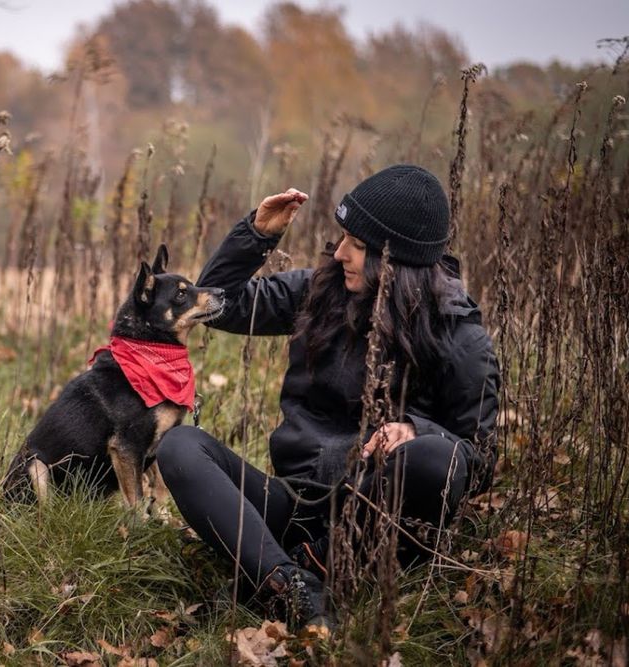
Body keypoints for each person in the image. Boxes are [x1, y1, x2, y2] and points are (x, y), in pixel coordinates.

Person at [156, 164, 500, 630]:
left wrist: (419, 430)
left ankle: (307, 565)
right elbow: (220, 306)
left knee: (438, 457)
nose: (339, 253)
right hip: (297, 502)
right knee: (180, 446)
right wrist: (255, 236)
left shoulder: (461, 337)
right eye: (343, 238)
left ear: (394, 260)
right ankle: (289, 584)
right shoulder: (320, 291)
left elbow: (476, 460)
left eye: (357, 246)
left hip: (375, 518)